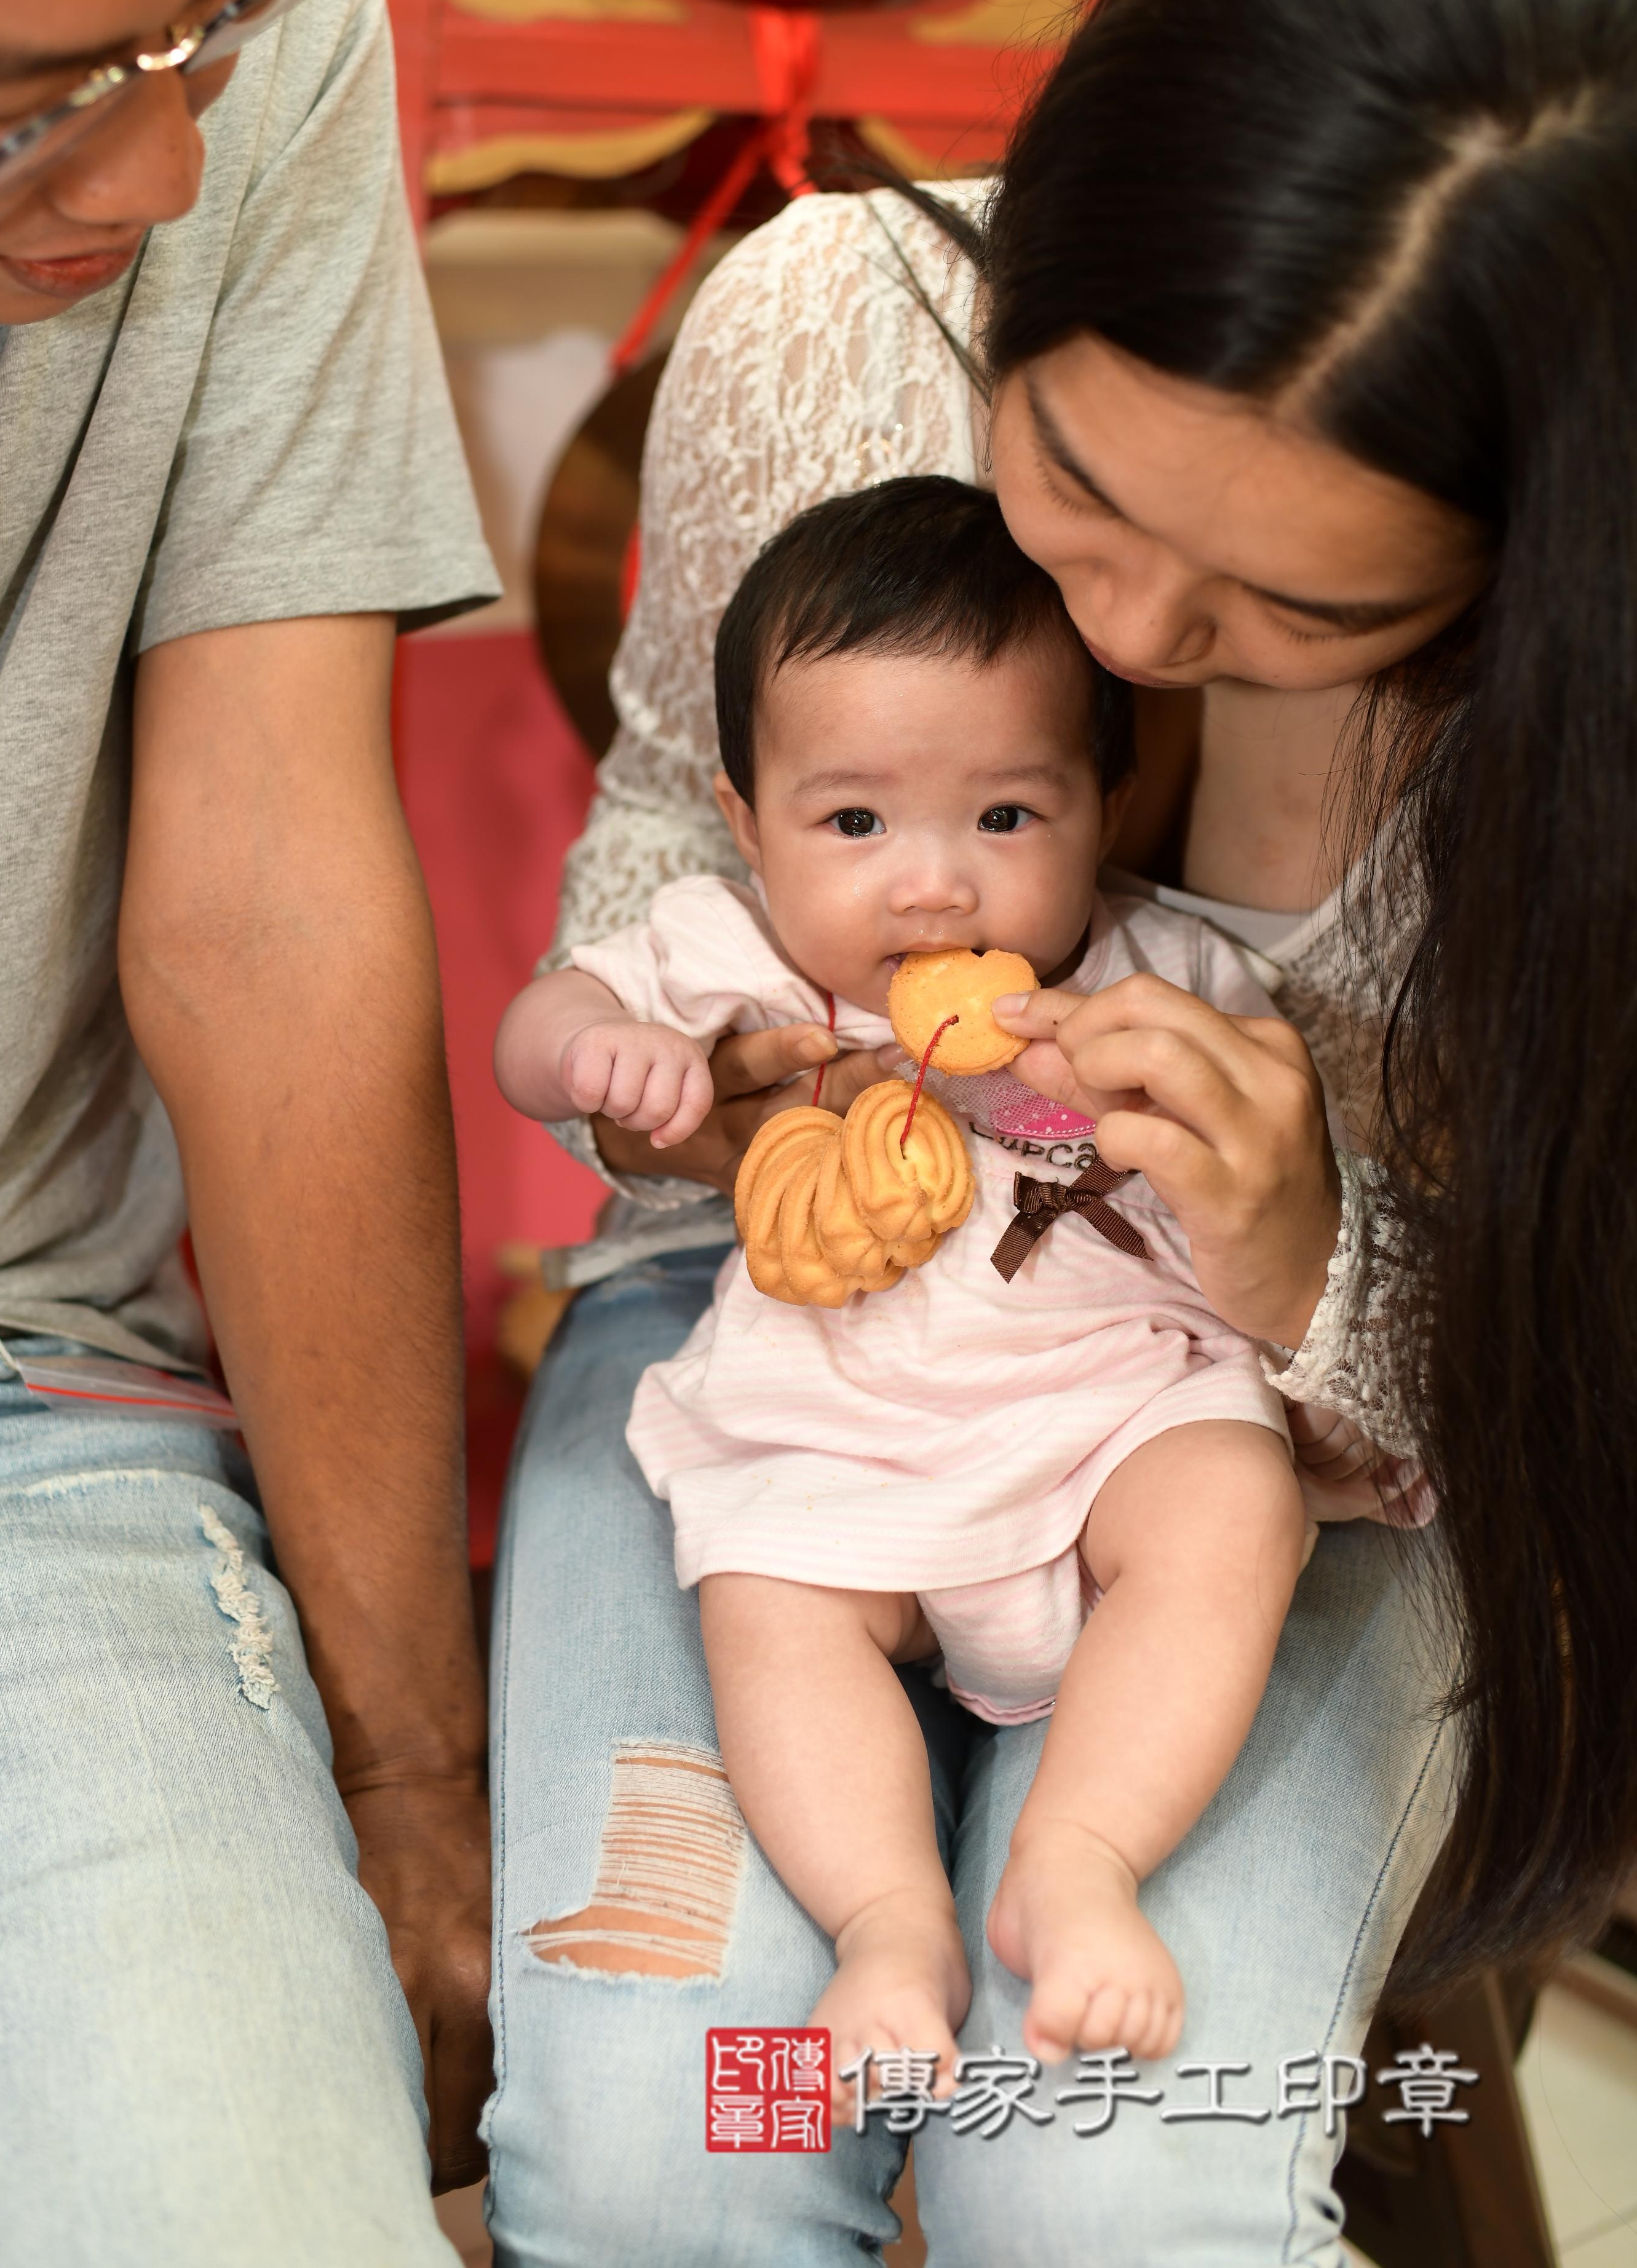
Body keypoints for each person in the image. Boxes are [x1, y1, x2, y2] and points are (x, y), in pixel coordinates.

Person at [486, 0, 1637, 2265]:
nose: (1113, 626)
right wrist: (713, 1112)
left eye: (1285, 608)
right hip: (774, 1357)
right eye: (1076, 486)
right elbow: (647, 891)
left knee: (1106, 2185)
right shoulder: (830, 334)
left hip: (1298, 1433)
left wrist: (1316, 1249)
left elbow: (1573, 1362)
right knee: (664, 2148)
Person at [0, 0, 497, 2259]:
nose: (154, 175)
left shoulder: (267, 9)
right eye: (8, 110)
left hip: (2, 1407)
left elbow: (261, 893)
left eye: (204, 31)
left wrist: (408, 1773)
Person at [499, 472, 1342, 2086]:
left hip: (1105, 1428)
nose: (931, 884)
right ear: (752, 828)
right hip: (840, 1429)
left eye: (1006, 817)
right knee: (765, 1600)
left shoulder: (1164, 979)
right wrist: (610, 1054)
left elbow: (1271, 1161)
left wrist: (1191, 1103)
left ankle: (1079, 1862)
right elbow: (535, 1031)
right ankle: (886, 1919)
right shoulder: (741, 954)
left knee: (1235, 1504)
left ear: (1106, 801)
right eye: (856, 822)